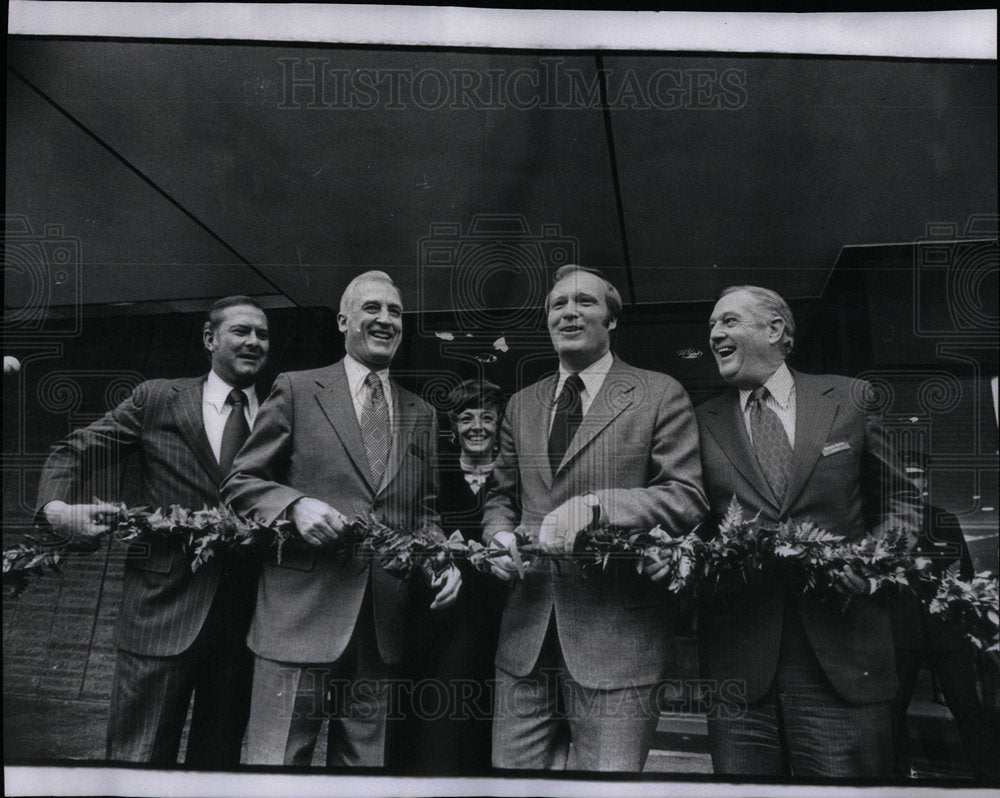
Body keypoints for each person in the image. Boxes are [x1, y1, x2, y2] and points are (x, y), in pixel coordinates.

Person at [221, 270, 461, 767]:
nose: (386, 319)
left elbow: (425, 513)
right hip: (298, 619)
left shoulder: (421, 413)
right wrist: (293, 505)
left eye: (395, 312)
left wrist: (442, 559)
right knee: (276, 768)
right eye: (372, 308)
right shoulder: (296, 388)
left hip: (381, 628)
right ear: (343, 320)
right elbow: (240, 483)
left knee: (362, 773)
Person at [481, 265, 708, 772]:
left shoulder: (658, 393)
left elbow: (686, 495)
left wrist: (598, 505)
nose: (568, 312)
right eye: (557, 304)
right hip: (526, 636)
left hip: (619, 638)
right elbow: (501, 496)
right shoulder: (522, 403)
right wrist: (497, 536)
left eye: (584, 302)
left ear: (612, 319)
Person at [694, 284, 921, 777]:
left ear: (775, 329)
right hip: (741, 665)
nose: (714, 334)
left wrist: (873, 563)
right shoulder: (701, 421)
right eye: (712, 325)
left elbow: (901, 499)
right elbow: (692, 522)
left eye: (728, 321)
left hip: (842, 655)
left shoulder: (849, 398)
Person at [36, 295, 271, 765]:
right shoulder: (158, 398)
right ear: (210, 338)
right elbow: (73, 450)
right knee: (137, 761)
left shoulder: (279, 413)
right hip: (160, 614)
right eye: (241, 331)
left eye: (263, 335)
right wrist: (57, 509)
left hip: (246, 622)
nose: (253, 342)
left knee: (218, 766)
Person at [394, 379, 506, 775]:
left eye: (487, 417)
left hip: (500, 618)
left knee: (488, 717)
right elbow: (416, 526)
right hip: (442, 614)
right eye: (466, 418)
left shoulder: (511, 481)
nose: (477, 426)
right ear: (454, 428)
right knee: (438, 716)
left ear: (500, 424)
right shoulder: (434, 474)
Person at [889, 454, 1000, 779]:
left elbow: (965, 571)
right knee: (893, 711)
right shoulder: (887, 525)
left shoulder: (945, 520)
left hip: (946, 632)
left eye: (920, 476)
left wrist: (952, 597)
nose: (915, 482)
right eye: (908, 476)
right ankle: (897, 779)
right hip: (903, 631)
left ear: (926, 482)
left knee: (967, 708)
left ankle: (991, 778)